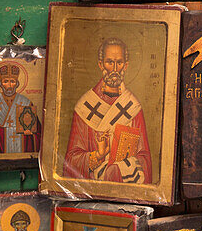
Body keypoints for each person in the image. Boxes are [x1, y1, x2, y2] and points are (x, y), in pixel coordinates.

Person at [63, 38, 152, 184]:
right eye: (110, 62)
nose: (115, 69)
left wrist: (122, 167)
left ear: (126, 65)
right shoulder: (85, 106)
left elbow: (144, 158)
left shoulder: (132, 106)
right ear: (100, 64)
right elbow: (71, 160)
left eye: (119, 62)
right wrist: (98, 155)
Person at [0, 63, 40, 156]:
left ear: (17, 84)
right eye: (6, 81)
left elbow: (38, 132)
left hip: (22, 153)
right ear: (0, 84)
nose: (9, 85)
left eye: (12, 81)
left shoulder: (26, 102)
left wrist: (30, 133)